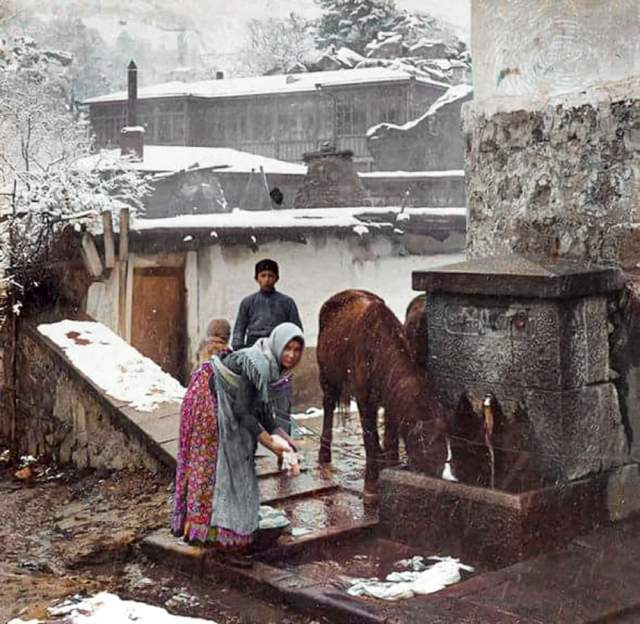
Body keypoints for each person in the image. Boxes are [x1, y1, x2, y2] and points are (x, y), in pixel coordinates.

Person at [171, 322, 304, 566]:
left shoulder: (269, 361)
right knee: (223, 467)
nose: (291, 355)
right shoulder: (259, 363)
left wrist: (282, 436)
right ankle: (225, 542)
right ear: (277, 344)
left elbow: (261, 406)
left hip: (220, 397)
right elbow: (244, 411)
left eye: (297, 350)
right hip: (207, 401)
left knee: (232, 465)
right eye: (287, 348)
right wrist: (270, 443)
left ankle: (220, 533)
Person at [232, 259, 302, 351]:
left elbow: (296, 329)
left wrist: (291, 348)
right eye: (263, 276)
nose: (267, 279)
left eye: (271, 276)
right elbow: (239, 328)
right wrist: (238, 347)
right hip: (253, 347)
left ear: (277, 278)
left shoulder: (287, 302)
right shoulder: (247, 302)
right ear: (257, 278)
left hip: (278, 346)